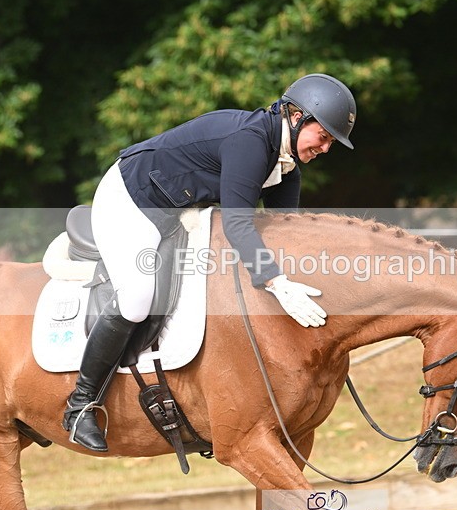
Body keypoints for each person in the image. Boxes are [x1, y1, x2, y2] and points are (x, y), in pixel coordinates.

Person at [62, 73, 357, 452]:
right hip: (131, 200)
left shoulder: (285, 168)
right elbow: (237, 223)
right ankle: (80, 405)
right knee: (137, 296)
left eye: (332, 141)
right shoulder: (249, 143)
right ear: (297, 116)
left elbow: (286, 234)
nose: (326, 148)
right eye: (325, 136)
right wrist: (276, 283)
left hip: (176, 212)